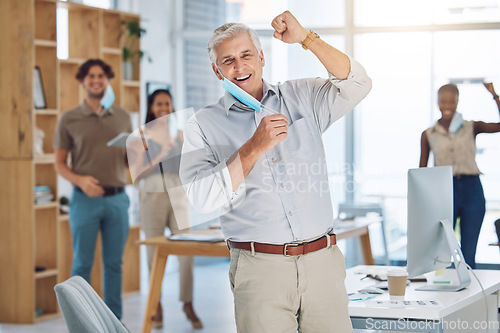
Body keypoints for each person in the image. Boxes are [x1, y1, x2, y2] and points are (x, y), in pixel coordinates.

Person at [180, 11, 371, 332]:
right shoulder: (202, 124)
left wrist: (306, 39)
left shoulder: (302, 97)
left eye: (246, 55)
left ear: (261, 56)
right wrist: (253, 147)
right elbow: (201, 198)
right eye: (228, 61)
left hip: (322, 262)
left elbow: (359, 84)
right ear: (217, 71)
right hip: (259, 270)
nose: (240, 67)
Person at [54, 59, 132, 319]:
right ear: (82, 81)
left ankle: (114, 323)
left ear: (107, 79)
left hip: (118, 200)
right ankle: (82, 323)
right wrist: (80, 181)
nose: (96, 80)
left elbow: (128, 161)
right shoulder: (69, 119)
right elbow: (59, 164)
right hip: (84, 201)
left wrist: (148, 154)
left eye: (101, 75)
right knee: (81, 266)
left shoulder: (122, 117)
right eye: (91, 76)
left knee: (114, 266)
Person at [138, 89, 202, 329]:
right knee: (153, 252)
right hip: (152, 193)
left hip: (177, 192)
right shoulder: (142, 137)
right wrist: (159, 155)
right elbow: (138, 173)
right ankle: (157, 304)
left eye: (167, 103)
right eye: (158, 103)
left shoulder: (180, 135)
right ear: (151, 107)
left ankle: (188, 303)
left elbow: (191, 165)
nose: (163, 107)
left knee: (187, 249)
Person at [419, 82, 500, 268]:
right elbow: (422, 172)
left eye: (451, 102)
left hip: (473, 190)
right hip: (444, 192)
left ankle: (471, 293)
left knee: (469, 253)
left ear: (457, 102)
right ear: (438, 102)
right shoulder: (428, 134)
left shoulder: (472, 127)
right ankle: (447, 294)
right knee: (444, 253)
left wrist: (494, 95)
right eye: (443, 101)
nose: (447, 106)